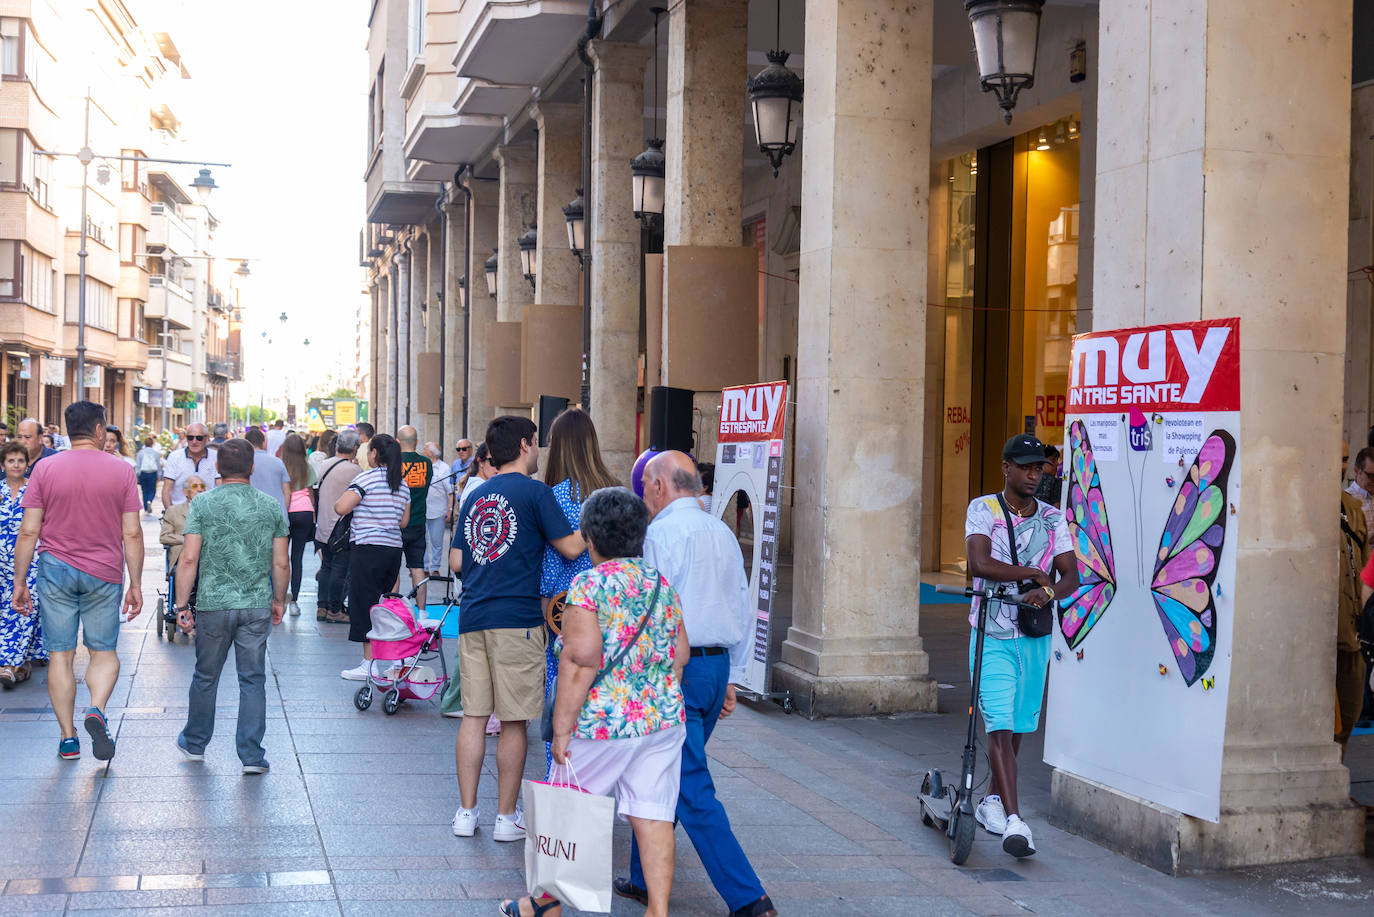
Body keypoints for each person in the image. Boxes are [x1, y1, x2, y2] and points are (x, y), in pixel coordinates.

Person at [501, 487, 688, 917]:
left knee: (565, 805)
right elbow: (680, 655)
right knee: (653, 814)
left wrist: (562, 729)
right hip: (661, 722)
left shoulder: (589, 584)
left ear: (590, 537)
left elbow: (580, 661)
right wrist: (653, 695)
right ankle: (657, 911)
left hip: (603, 722)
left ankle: (543, 905)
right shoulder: (660, 583)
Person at [617, 451, 774, 917]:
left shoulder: (659, 535)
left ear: (660, 486)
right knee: (658, 771)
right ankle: (644, 878)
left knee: (689, 785)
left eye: (646, 487)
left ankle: (749, 898)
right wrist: (733, 676)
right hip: (716, 665)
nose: (644, 497)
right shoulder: (723, 531)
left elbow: (650, 610)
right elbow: (741, 604)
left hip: (676, 670)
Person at [449, 416, 585, 843]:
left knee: (473, 717)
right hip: (519, 621)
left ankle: (466, 813)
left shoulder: (477, 493)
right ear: (525, 445)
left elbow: (455, 562)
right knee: (513, 722)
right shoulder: (536, 493)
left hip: (473, 617)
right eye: (536, 443)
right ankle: (506, 818)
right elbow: (571, 547)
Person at [964, 433, 1078, 858]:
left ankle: (992, 801)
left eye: (1039, 468)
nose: (1034, 474)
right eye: (1026, 467)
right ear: (1005, 468)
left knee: (1019, 725)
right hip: (992, 633)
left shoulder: (1052, 518)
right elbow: (979, 563)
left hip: (1033, 635)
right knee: (999, 722)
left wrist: (1046, 593)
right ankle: (1016, 821)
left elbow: (1070, 575)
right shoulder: (984, 509)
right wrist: (1031, 571)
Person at [13, 401, 143, 761]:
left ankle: (68, 738)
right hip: (103, 571)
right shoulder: (121, 471)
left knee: (61, 655)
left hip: (54, 569)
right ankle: (96, 708)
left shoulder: (45, 468)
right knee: (103, 652)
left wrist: (19, 581)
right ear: (100, 431)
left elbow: (28, 530)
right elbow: (131, 534)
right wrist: (135, 582)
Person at [173, 437, 289, 774]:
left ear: (217, 469)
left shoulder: (203, 504)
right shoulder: (270, 506)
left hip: (213, 604)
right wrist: (278, 600)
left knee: (206, 676)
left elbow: (189, 557)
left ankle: (195, 743)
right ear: (252, 468)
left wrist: (182, 604)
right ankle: (251, 756)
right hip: (255, 605)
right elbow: (281, 563)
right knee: (252, 680)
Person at [540, 409, 618, 767]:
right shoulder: (615, 492)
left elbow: (551, 564)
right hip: (614, 607)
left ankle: (564, 782)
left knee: (564, 697)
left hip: (567, 611)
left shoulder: (555, 495)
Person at [334, 433, 409, 680]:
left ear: (375, 454)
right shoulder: (402, 483)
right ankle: (395, 657)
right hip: (393, 550)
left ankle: (369, 663)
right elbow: (404, 521)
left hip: (367, 549)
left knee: (364, 604)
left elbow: (341, 507)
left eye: (369, 451)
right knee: (387, 604)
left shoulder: (366, 478)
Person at [0, 442, 45, 687]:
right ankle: (23, 664)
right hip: (1, 561)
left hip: (31, 560)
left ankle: (8, 665)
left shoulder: (36, 490)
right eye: (11, 461)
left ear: (27, 464)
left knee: (26, 609)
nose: (16, 465)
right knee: (6, 611)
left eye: (20, 460)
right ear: (3, 464)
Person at [1338, 447, 1368, 757]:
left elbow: (1365, 569)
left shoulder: (1353, 508)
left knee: (1349, 715)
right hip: (1318, 637)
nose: (1340, 465)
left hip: (1352, 632)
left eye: (1344, 458)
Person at [314, 430, 361, 624]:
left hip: (323, 526)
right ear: (355, 448)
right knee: (340, 570)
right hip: (341, 530)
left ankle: (322, 607)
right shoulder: (355, 471)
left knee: (326, 567)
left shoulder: (323, 464)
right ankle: (335, 609)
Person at [281, 433, 317, 618]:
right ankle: (294, 601)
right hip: (304, 512)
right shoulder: (307, 467)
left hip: (285, 512)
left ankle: (279, 599)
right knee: (297, 558)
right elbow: (310, 493)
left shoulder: (281, 466)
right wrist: (313, 517)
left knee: (281, 559)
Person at [397, 426, 433, 608]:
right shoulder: (427, 463)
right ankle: (422, 611)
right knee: (418, 567)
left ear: (397, 442)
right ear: (417, 441)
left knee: (393, 568)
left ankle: (392, 607)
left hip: (396, 523)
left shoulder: (393, 463)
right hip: (418, 521)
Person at [162, 422, 219, 509]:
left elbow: (220, 488)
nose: (194, 441)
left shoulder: (216, 457)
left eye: (199, 438)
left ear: (207, 438)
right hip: (179, 514)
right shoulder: (174, 457)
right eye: (190, 437)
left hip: (207, 515)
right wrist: (171, 516)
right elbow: (166, 490)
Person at [159, 476, 207, 569]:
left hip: (206, 556)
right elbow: (164, 537)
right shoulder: (173, 511)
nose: (200, 489)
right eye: (194, 486)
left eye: (202, 486)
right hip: (182, 554)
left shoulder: (213, 511)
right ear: (185, 492)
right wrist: (187, 540)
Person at [244, 427, 291, 517]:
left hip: (251, 518)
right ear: (264, 443)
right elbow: (287, 492)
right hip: (276, 517)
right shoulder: (278, 462)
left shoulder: (242, 463)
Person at [423, 442, 453, 577]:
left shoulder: (444, 468)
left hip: (439, 511)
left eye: (425, 448)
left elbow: (450, 491)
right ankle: (423, 568)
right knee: (422, 541)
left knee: (436, 541)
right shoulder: (423, 465)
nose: (423, 450)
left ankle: (435, 568)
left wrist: (450, 509)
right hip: (423, 510)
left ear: (431, 452)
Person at [457, 442, 494, 509]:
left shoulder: (479, 485)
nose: (498, 467)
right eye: (493, 461)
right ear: (481, 462)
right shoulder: (477, 487)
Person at [135, 436, 163, 513]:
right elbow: (158, 465)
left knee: (144, 490)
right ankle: (150, 500)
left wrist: (137, 475)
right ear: (152, 444)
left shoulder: (140, 453)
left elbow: (138, 465)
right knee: (152, 490)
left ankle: (146, 508)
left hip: (143, 473)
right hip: (153, 473)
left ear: (145, 443)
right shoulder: (155, 453)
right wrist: (159, 475)